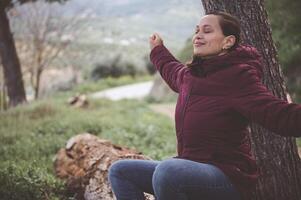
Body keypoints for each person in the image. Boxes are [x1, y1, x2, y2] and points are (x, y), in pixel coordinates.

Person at [108, 11, 301, 200]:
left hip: (227, 176)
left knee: (168, 171)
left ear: (228, 42)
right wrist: (158, 49)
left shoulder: (238, 76)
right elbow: (172, 70)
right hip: (190, 169)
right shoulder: (191, 75)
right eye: (197, 30)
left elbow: (275, 113)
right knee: (121, 171)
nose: (198, 36)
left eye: (207, 31)